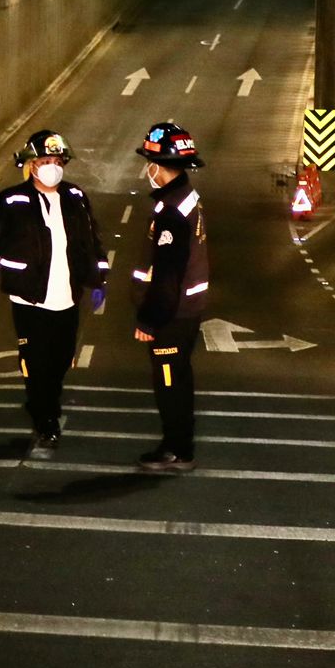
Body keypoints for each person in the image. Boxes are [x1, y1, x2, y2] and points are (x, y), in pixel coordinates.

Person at [0, 130, 109, 457]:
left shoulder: (76, 198)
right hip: (29, 299)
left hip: (67, 297)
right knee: (36, 363)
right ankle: (46, 421)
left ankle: (45, 403)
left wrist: (99, 278)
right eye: (45, 160)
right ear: (31, 165)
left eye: (57, 160)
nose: (52, 166)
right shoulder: (11, 201)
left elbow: (91, 241)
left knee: (60, 361)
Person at [130, 122, 210, 472]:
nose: (148, 169)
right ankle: (180, 445)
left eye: (150, 163)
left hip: (172, 316)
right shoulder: (187, 197)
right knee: (180, 378)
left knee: (169, 383)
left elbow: (167, 274)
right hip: (187, 310)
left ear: (158, 167)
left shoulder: (171, 212)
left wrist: (150, 319)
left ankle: (176, 450)